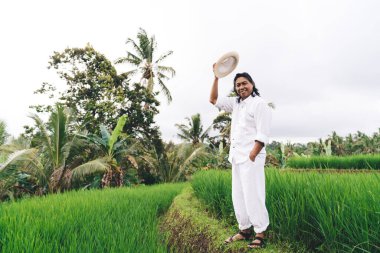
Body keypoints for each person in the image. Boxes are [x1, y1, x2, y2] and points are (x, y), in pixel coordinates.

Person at [209, 66, 272, 249]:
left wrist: (253, 154)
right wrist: (216, 77)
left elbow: (263, 132)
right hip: (237, 157)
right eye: (238, 85)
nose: (241, 87)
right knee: (239, 195)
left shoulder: (259, 103)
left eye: (244, 83)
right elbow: (213, 99)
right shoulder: (236, 103)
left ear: (252, 84)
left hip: (251, 157)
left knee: (254, 194)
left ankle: (260, 233)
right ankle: (244, 230)